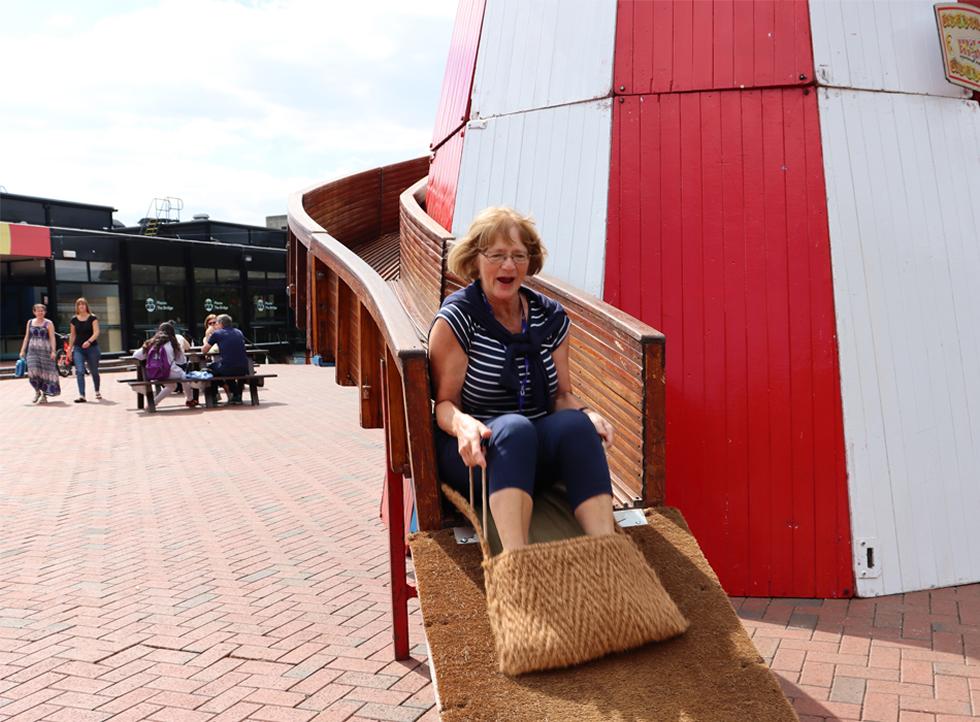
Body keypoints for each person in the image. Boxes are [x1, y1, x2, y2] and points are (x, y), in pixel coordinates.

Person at [428, 207, 616, 551]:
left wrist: (588, 413)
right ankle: (519, 564)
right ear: (475, 259)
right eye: (497, 255)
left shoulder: (549, 316)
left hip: (532, 445)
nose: (509, 266)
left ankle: (606, 552)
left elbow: (561, 396)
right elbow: (444, 405)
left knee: (575, 426)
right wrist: (464, 426)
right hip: (478, 453)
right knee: (515, 429)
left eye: (518, 255)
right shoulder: (458, 318)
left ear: (530, 262)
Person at [132, 322, 197, 408]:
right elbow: (181, 361)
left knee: (172, 386)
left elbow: (136, 355)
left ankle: (153, 403)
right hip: (168, 372)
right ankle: (190, 399)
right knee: (184, 377)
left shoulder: (151, 342)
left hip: (153, 373)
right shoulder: (172, 342)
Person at [18, 303, 61, 404]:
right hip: (32, 351)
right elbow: (26, 337)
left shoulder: (48, 323)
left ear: (45, 312)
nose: (40, 312)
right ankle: (37, 391)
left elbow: (52, 338)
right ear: (34, 312)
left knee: (45, 373)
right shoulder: (30, 322)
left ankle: (44, 395)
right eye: (38, 310)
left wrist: (53, 351)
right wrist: (22, 350)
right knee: (33, 372)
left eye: (42, 310)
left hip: (45, 351)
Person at [203, 314, 248, 405]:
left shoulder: (217, 333)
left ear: (220, 324)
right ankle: (236, 395)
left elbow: (204, 350)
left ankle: (214, 396)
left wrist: (208, 337)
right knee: (225, 367)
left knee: (210, 369)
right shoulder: (239, 332)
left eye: (216, 323)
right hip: (244, 368)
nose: (215, 325)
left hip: (228, 368)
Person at [69, 297, 101, 402]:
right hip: (78, 348)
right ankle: (82, 395)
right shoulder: (74, 319)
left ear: (86, 306)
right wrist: (70, 349)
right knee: (80, 371)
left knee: (94, 371)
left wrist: (89, 341)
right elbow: (72, 335)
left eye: (83, 304)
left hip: (92, 348)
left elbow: (96, 332)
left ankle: (97, 391)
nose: (81, 306)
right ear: (77, 307)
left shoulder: (93, 318)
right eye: (79, 304)